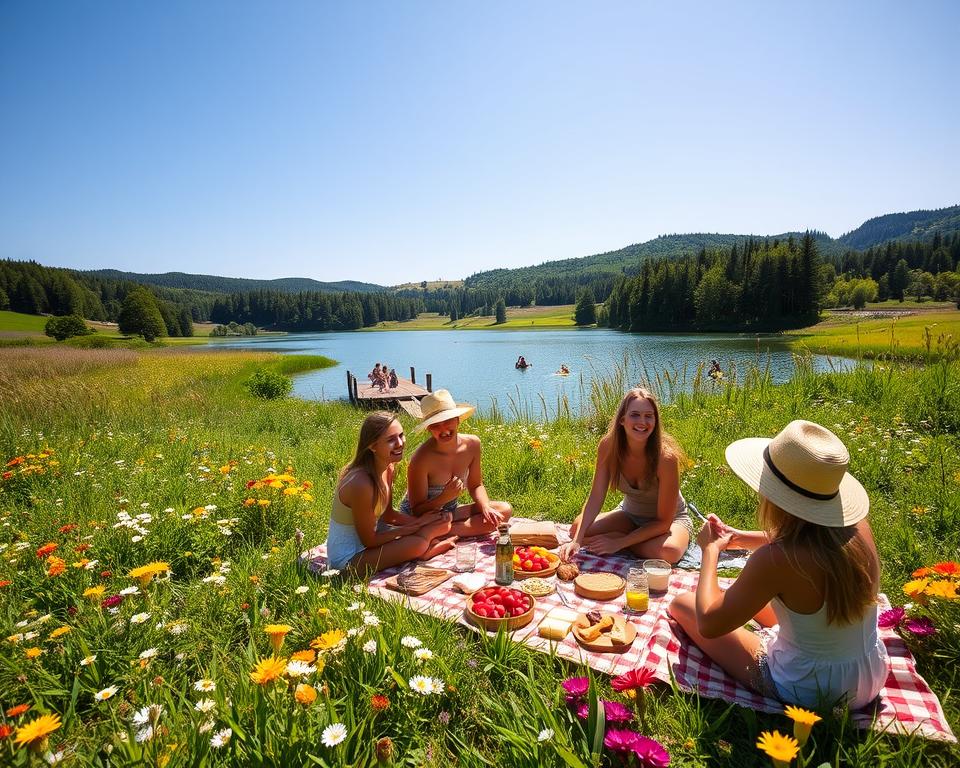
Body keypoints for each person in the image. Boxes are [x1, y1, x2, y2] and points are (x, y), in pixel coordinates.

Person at [668, 420, 887, 709]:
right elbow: (810, 540)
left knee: (684, 605)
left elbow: (709, 623)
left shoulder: (776, 561)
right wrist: (741, 538)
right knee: (747, 596)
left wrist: (710, 550)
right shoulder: (857, 528)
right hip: (869, 674)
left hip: (810, 689)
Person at [559, 387, 694, 564]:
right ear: (622, 420)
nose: (642, 422)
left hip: (669, 522)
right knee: (577, 528)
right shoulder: (608, 446)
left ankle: (627, 541)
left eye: (649, 416)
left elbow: (663, 522)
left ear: (656, 420)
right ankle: (633, 538)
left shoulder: (666, 458)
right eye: (635, 415)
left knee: (669, 552)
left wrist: (619, 542)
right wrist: (577, 540)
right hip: (630, 515)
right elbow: (596, 496)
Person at [324, 411, 457, 572]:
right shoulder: (361, 483)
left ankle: (424, 545)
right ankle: (424, 550)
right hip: (349, 559)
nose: (400, 443)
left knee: (440, 524)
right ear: (372, 446)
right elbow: (369, 541)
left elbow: (388, 516)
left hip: (374, 539)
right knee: (418, 543)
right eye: (391, 439)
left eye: (401, 435)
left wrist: (422, 522)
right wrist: (412, 528)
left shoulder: (388, 468)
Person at [400, 389, 512, 536]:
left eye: (447, 420)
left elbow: (476, 485)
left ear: (457, 419)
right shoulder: (421, 459)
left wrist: (485, 507)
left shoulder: (473, 444)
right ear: (428, 428)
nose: (443, 429)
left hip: (449, 512)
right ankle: (438, 531)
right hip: (421, 518)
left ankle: (442, 532)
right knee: (490, 524)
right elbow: (417, 510)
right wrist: (444, 497)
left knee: (504, 509)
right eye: (435, 424)